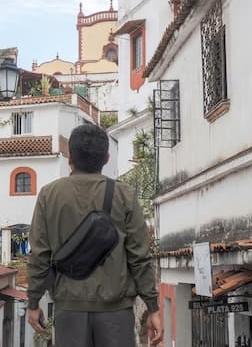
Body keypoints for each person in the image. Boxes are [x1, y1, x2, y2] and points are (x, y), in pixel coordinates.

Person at [26, 124, 162, 346]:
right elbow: (140, 257)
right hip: (116, 313)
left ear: (70, 158)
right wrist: (153, 307)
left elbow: (39, 255)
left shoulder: (49, 195)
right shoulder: (124, 194)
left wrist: (33, 303)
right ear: (106, 158)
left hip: (69, 310)